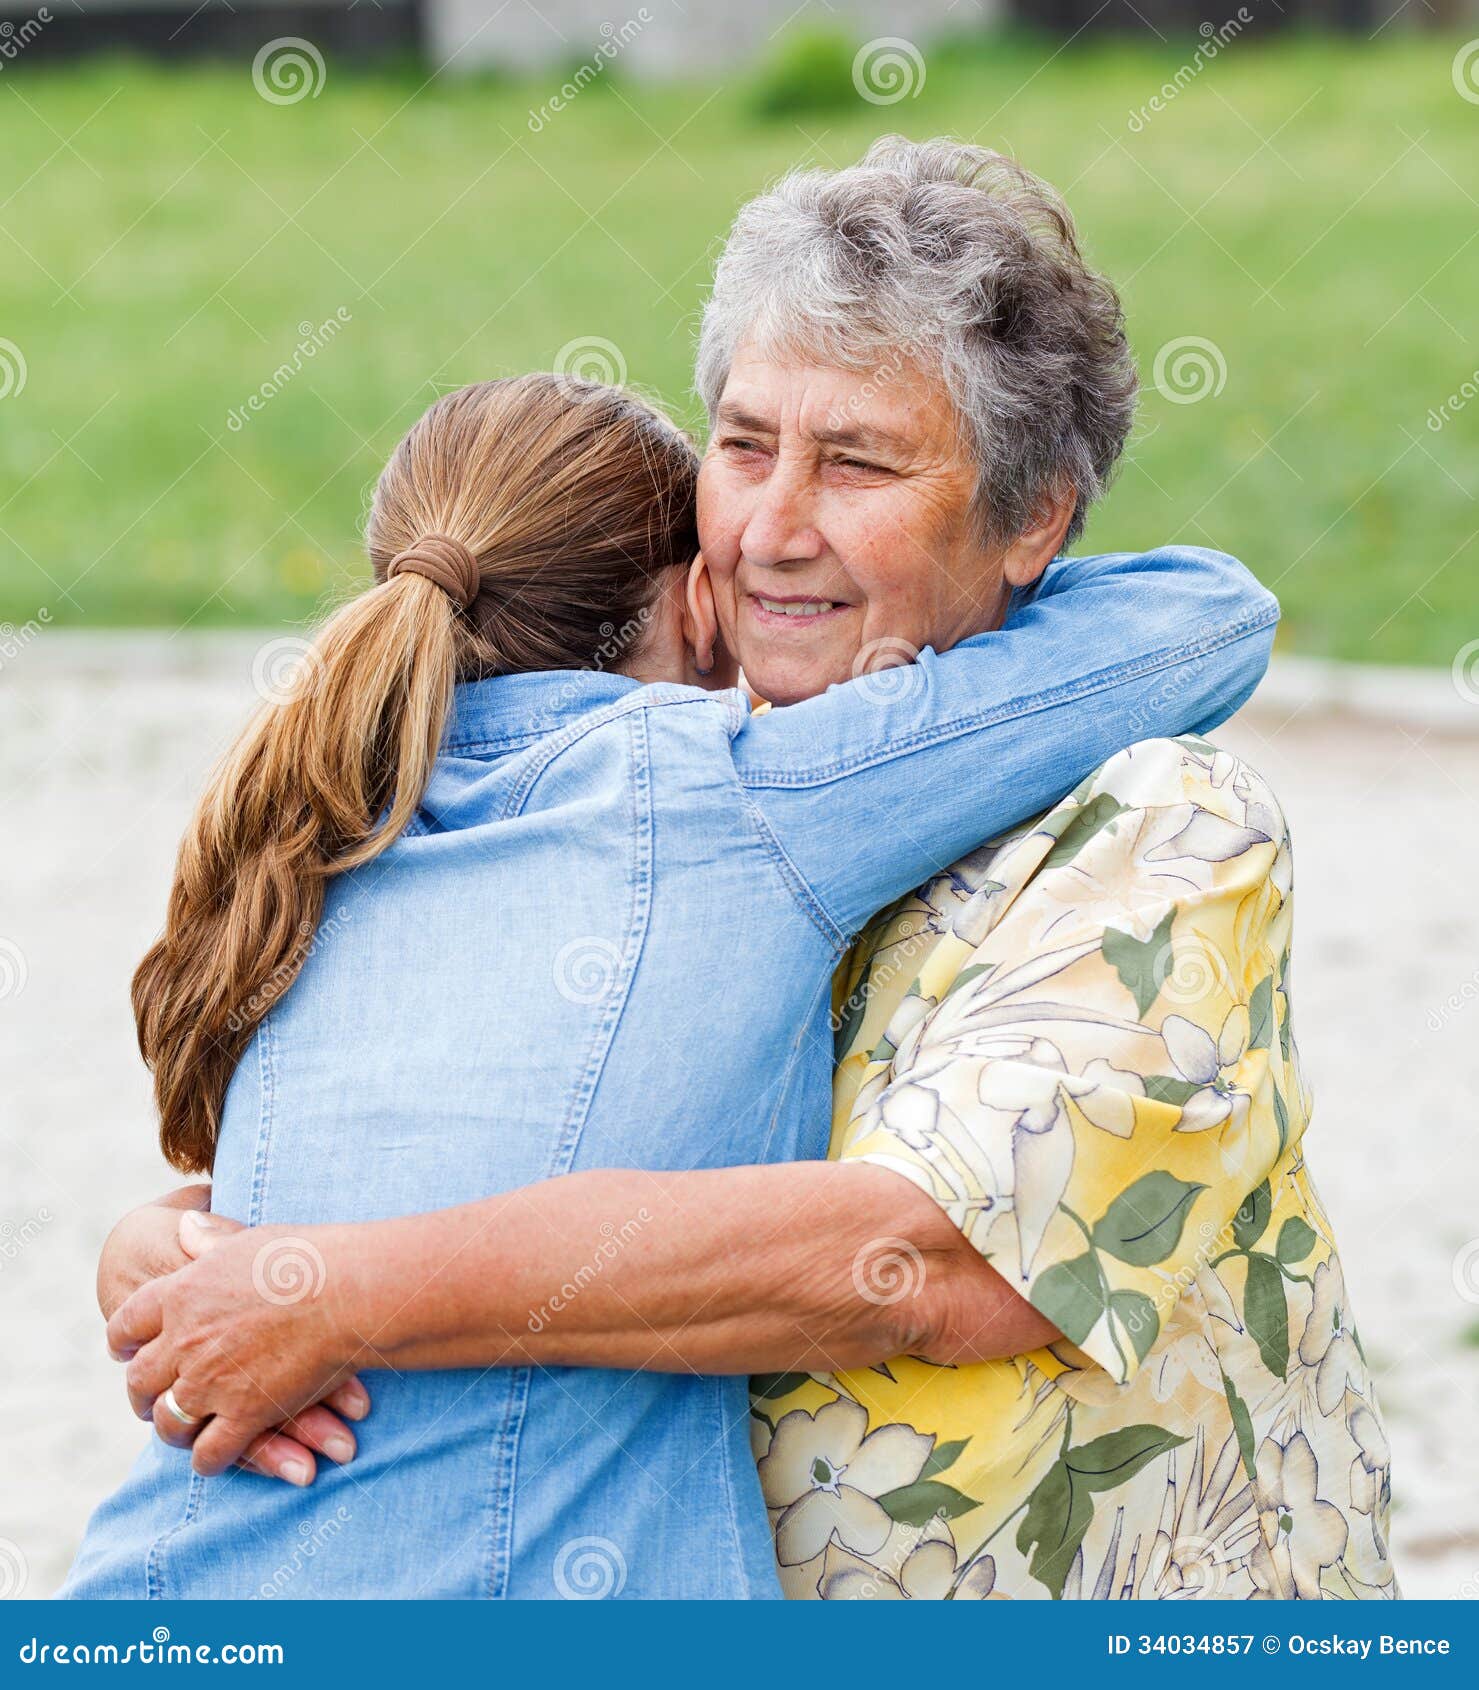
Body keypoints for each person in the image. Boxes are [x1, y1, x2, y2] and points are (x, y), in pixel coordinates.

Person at [88, 142, 1369, 1605]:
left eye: (860, 463)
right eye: (744, 447)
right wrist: (182, 1242)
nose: (768, 531)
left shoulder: (1158, 818)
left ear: (1037, 517)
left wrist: (333, 1288)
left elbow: (939, 1258)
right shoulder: (707, 774)